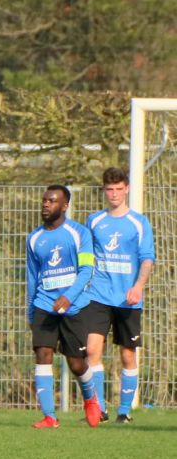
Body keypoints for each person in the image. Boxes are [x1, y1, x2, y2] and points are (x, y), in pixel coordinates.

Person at [83, 167, 155, 424]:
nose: (114, 194)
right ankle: (99, 409)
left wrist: (138, 287)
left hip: (128, 298)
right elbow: (86, 255)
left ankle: (124, 411)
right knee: (92, 349)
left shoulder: (139, 222)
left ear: (126, 189)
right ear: (104, 190)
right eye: (109, 189)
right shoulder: (94, 221)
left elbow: (147, 259)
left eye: (118, 188)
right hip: (98, 295)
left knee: (127, 354)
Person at [25, 185, 101, 429]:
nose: (46, 204)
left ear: (64, 206)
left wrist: (69, 297)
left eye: (52, 201)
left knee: (76, 363)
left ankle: (90, 398)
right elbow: (32, 277)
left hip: (74, 306)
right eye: (44, 200)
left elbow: (87, 270)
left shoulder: (79, 233)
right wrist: (30, 310)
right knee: (43, 354)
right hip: (44, 305)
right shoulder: (34, 238)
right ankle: (50, 416)